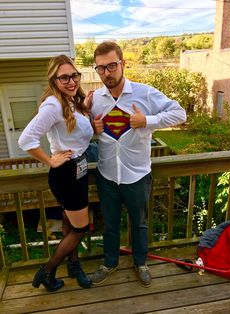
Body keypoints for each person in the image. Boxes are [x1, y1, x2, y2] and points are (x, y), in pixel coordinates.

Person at [90, 41, 187, 287]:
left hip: (137, 175)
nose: (106, 73)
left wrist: (147, 120)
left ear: (123, 64)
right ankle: (110, 263)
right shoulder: (94, 100)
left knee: (139, 224)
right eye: (100, 68)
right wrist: (92, 129)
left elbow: (180, 114)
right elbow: (81, 129)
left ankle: (140, 262)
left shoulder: (145, 93)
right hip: (107, 175)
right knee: (110, 225)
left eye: (111, 65)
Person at [18, 55, 94, 292]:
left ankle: (74, 266)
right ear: (54, 79)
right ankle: (47, 270)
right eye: (64, 77)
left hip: (77, 170)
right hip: (66, 174)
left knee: (70, 225)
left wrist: (88, 114)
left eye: (74, 75)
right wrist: (50, 160)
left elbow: (74, 132)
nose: (71, 81)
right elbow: (25, 140)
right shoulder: (53, 105)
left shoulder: (71, 101)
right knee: (81, 228)